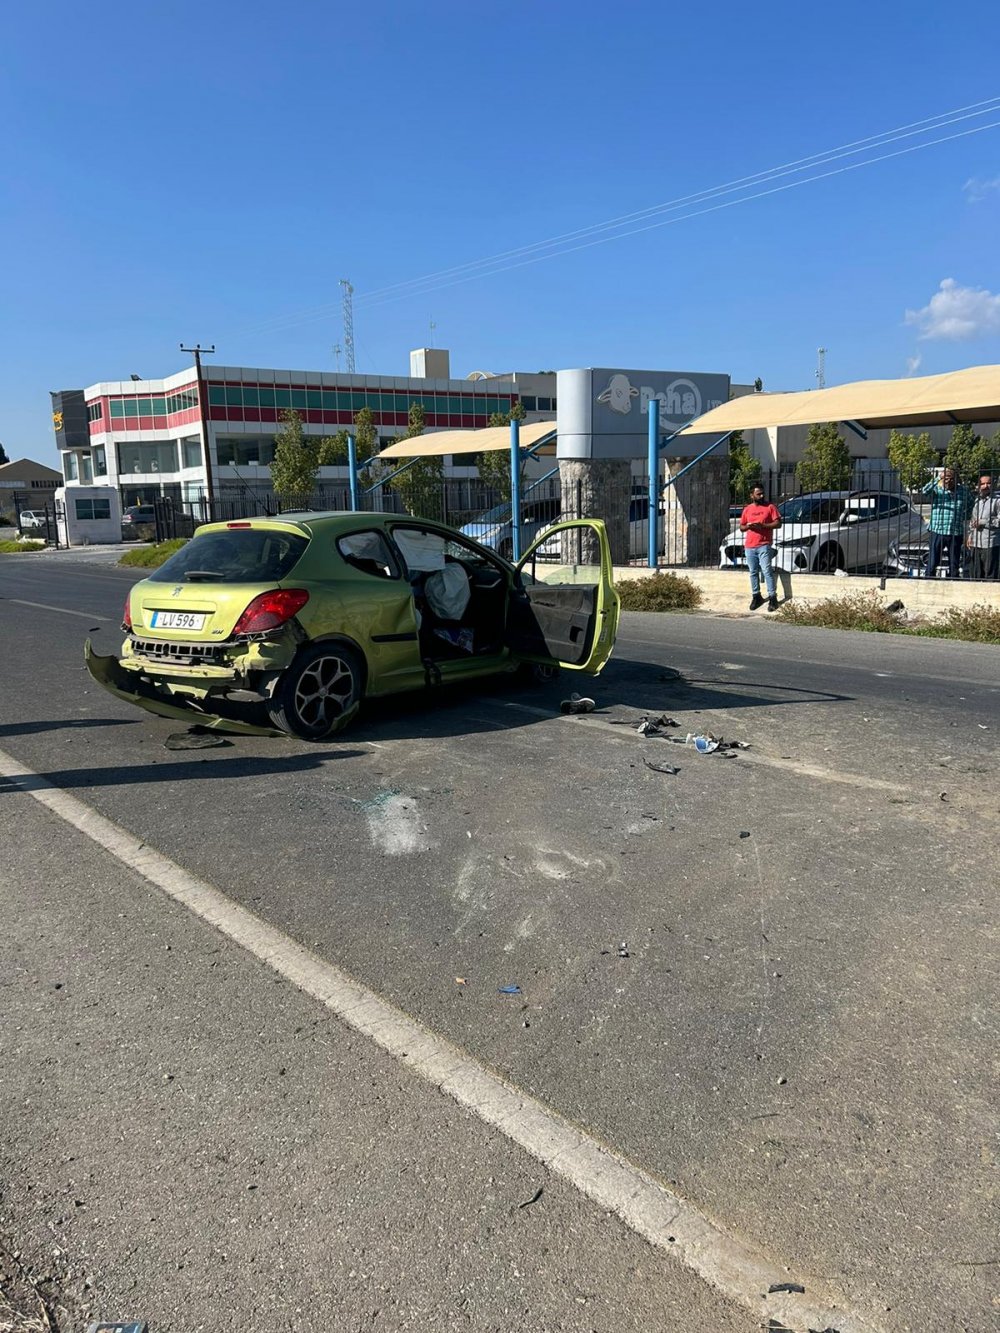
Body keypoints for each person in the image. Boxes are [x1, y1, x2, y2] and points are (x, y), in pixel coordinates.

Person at [739, 483, 782, 611]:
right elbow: (741, 526)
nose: (762, 496)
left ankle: (772, 597)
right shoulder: (747, 509)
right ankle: (756, 596)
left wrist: (763, 526)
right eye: (758, 494)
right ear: (752, 495)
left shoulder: (770, 507)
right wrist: (748, 526)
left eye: (763, 493)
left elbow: (778, 523)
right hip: (750, 546)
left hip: (764, 544)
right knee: (753, 572)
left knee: (766, 570)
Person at [921, 467, 970, 578]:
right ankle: (929, 579)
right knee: (932, 562)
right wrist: (938, 477)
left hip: (955, 532)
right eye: (946, 478)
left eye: (951, 478)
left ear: (956, 479)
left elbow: (971, 505)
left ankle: (953, 581)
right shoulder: (937, 490)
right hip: (937, 531)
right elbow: (925, 491)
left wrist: (963, 516)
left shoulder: (963, 491)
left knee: (954, 564)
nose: (948, 481)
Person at [966, 473, 1000, 580]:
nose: (985, 486)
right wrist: (970, 535)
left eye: (988, 483)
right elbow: (973, 519)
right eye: (983, 484)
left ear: (993, 485)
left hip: (990, 542)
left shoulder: (997, 501)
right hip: (976, 543)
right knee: (975, 575)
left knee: (990, 575)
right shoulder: (978, 501)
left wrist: (984, 522)